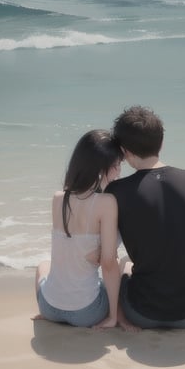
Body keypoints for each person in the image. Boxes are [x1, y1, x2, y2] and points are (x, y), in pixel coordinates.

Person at [106, 106, 185, 329]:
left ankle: (120, 317)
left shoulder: (117, 191)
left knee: (125, 265)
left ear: (125, 152)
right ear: (162, 143)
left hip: (142, 313)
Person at [34, 129, 123, 328]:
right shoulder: (106, 202)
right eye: (117, 165)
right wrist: (113, 317)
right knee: (121, 274)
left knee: (42, 266)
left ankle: (44, 313)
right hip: (86, 312)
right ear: (102, 169)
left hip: (49, 307)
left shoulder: (58, 199)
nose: (119, 171)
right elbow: (108, 264)